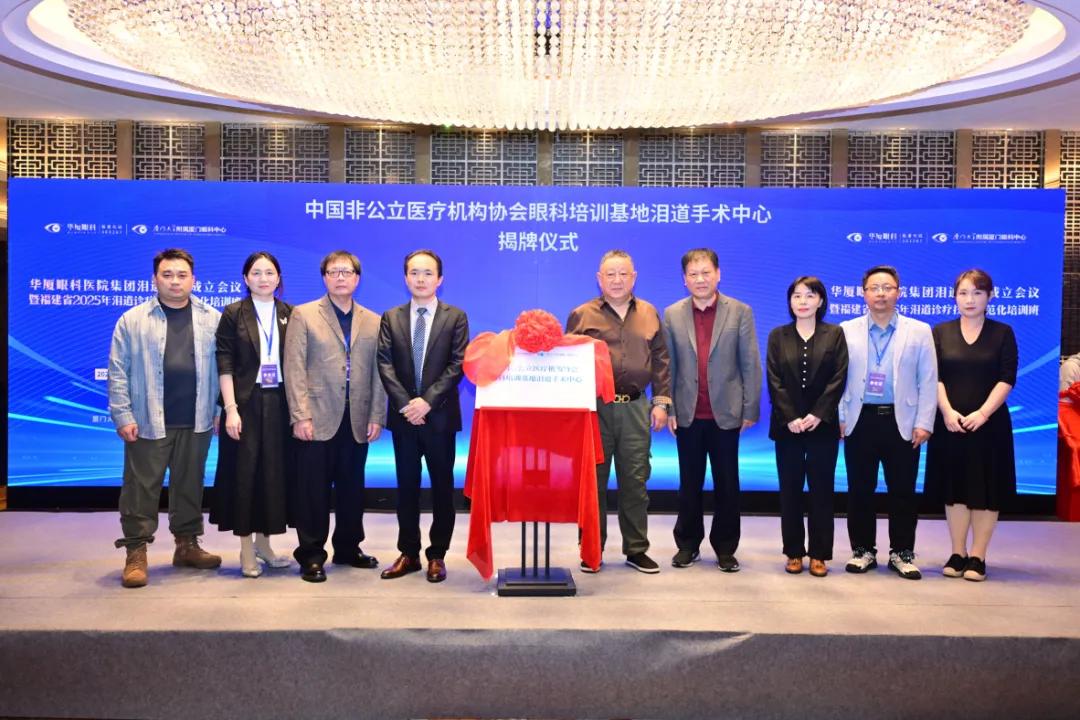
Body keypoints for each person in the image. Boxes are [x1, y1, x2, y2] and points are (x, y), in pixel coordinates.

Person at [108, 248, 222, 588]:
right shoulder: (132, 320)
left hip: (197, 418)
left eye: (182, 275)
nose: (175, 281)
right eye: (167, 275)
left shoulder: (212, 319)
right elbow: (117, 371)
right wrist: (122, 414)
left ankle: (187, 545)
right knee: (140, 488)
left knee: (190, 485)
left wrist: (219, 410)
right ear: (154, 279)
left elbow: (223, 369)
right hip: (147, 419)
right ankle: (136, 552)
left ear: (193, 279)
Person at [283, 251, 387, 583]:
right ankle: (311, 555)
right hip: (316, 417)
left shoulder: (373, 320)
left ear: (357, 278)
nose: (340, 277)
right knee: (312, 490)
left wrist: (377, 414)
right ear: (324, 278)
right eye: (333, 272)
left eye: (347, 272)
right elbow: (294, 368)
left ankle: (348, 548)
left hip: (356, 417)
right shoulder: (304, 314)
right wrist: (300, 415)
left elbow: (379, 373)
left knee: (351, 489)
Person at [566, 249, 672, 574]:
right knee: (592, 483)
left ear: (634, 277)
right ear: (599, 279)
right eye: (610, 274)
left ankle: (636, 549)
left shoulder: (650, 313)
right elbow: (568, 362)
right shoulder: (581, 315)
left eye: (623, 273)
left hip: (636, 408)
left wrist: (662, 402)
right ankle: (591, 549)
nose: (617, 280)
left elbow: (661, 360)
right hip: (595, 409)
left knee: (635, 481)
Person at [663, 249, 761, 573]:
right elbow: (668, 366)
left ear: (718, 274)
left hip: (726, 413)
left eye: (706, 272)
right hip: (688, 413)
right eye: (693, 274)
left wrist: (750, 408)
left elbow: (750, 362)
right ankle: (687, 544)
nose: (700, 279)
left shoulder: (739, 311)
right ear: (684, 279)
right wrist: (669, 406)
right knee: (689, 484)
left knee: (727, 484)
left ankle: (725, 548)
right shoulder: (672, 314)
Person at [377, 250, 469, 583]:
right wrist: (407, 405)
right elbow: (384, 363)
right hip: (405, 419)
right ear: (405, 278)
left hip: (439, 418)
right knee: (407, 489)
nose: (421, 279)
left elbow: (457, 364)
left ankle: (437, 555)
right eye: (414, 273)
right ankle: (409, 553)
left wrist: (427, 402)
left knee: (443, 489)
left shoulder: (455, 317)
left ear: (439, 279)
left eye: (428, 273)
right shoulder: (391, 317)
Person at [839, 265, 937, 580]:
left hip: (902, 421)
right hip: (860, 419)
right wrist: (840, 417)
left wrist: (925, 422)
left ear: (899, 292)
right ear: (863, 293)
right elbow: (837, 379)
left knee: (903, 491)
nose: (881, 293)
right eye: (874, 288)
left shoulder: (919, 330)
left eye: (887, 287)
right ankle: (862, 550)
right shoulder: (846, 330)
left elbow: (929, 379)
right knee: (859, 489)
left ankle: (902, 552)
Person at [925, 269, 1017, 582]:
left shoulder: (1002, 333)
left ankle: (978, 556)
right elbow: (934, 376)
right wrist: (947, 411)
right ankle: (957, 553)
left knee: (986, 489)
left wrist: (983, 413)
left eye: (978, 293)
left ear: (990, 296)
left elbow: (1007, 378)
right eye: (963, 293)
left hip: (989, 425)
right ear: (954, 297)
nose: (970, 299)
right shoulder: (941, 331)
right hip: (950, 423)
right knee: (955, 489)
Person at [209, 252, 295, 578]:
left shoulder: (290, 314)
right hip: (244, 403)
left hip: (281, 403)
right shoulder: (233, 313)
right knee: (244, 475)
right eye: (256, 273)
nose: (263, 278)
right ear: (246, 278)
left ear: (278, 278)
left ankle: (265, 544)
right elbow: (225, 363)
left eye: (269, 272)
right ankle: (246, 547)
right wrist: (230, 409)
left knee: (274, 475)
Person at [766, 277, 847, 577]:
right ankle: (794, 552)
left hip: (822, 426)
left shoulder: (834, 334)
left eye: (810, 295)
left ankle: (819, 554)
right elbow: (773, 378)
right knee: (790, 490)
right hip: (787, 427)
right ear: (789, 302)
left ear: (821, 301)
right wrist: (790, 417)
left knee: (821, 491)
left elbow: (839, 377)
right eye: (797, 296)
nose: (803, 301)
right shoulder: (778, 335)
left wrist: (818, 414)